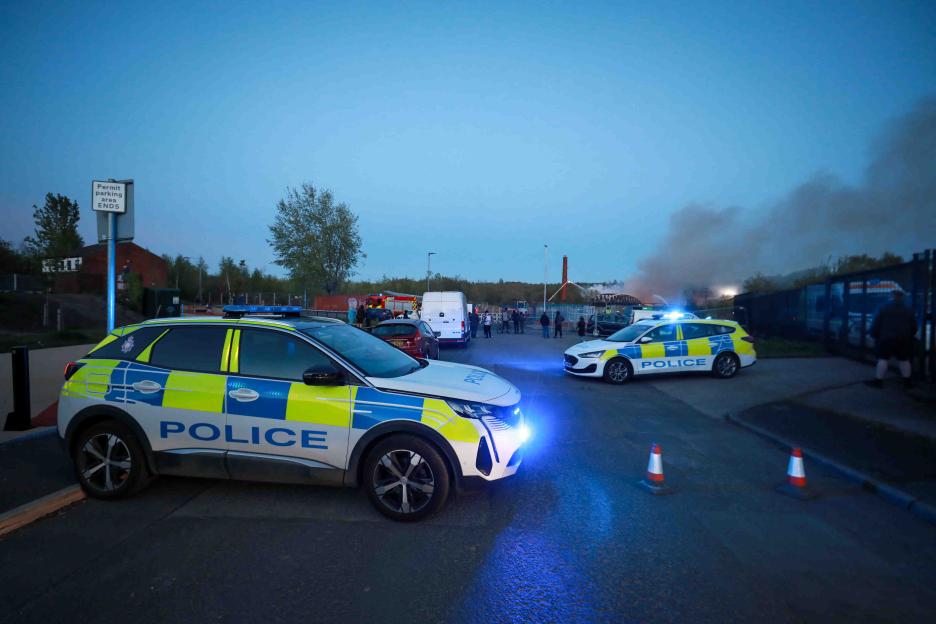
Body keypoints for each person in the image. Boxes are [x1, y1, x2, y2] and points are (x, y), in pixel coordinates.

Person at [866, 290, 917, 389]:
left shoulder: (883, 307)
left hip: (886, 338)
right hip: (903, 338)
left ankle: (878, 381)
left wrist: (874, 335)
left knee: (883, 359)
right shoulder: (909, 309)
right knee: (904, 360)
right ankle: (907, 382)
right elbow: (914, 326)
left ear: (891, 296)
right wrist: (909, 335)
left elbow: (876, 323)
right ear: (902, 297)